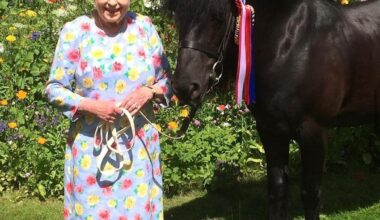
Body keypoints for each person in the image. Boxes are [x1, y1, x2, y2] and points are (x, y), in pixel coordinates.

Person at [45, 0, 172, 219]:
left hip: (139, 149)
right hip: (92, 151)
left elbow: (167, 81)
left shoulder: (145, 28)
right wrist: (91, 106)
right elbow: (54, 89)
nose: (113, 3)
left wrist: (149, 91)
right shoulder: (75, 31)